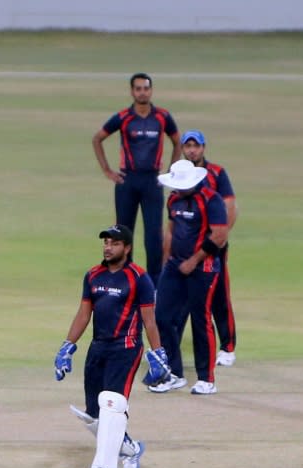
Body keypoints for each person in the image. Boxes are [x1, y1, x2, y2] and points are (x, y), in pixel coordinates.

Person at [54, 224, 169, 468]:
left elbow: (149, 320)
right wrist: (67, 347)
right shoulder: (93, 276)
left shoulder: (139, 278)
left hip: (126, 349)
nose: (108, 247)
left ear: (127, 248)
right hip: (98, 349)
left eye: (114, 243)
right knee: (94, 415)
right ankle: (129, 450)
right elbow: (84, 314)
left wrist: (158, 352)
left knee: (111, 405)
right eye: (106, 242)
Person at [92, 72, 181, 283]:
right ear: (132, 91)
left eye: (146, 88)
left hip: (152, 181)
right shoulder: (123, 117)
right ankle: (125, 278)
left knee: (153, 235)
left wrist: (170, 173)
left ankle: (155, 283)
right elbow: (97, 139)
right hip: (127, 181)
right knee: (123, 232)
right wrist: (107, 170)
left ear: (151, 91)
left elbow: (177, 141)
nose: (142, 92)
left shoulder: (162, 117)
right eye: (138, 88)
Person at [151, 160, 228, 395]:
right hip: (175, 266)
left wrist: (193, 261)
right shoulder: (173, 199)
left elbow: (219, 236)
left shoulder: (210, 201)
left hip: (202, 268)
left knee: (200, 320)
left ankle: (206, 378)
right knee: (161, 316)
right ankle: (173, 373)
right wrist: (166, 263)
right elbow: (171, 231)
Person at [180, 130, 238, 367]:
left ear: (203, 148)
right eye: (188, 146)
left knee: (219, 295)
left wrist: (219, 239)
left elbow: (230, 207)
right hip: (187, 246)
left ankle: (227, 346)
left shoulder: (216, 174)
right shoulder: (180, 173)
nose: (192, 150)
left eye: (196, 145)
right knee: (183, 297)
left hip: (213, 245)